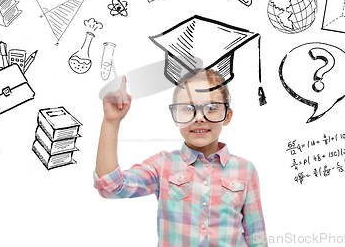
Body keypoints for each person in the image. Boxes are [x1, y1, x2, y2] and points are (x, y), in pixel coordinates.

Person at [94, 69, 268, 247]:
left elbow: (257, 236)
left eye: (211, 108)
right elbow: (111, 187)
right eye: (187, 108)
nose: (199, 118)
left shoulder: (245, 170)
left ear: (227, 116)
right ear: (175, 116)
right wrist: (111, 122)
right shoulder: (163, 165)